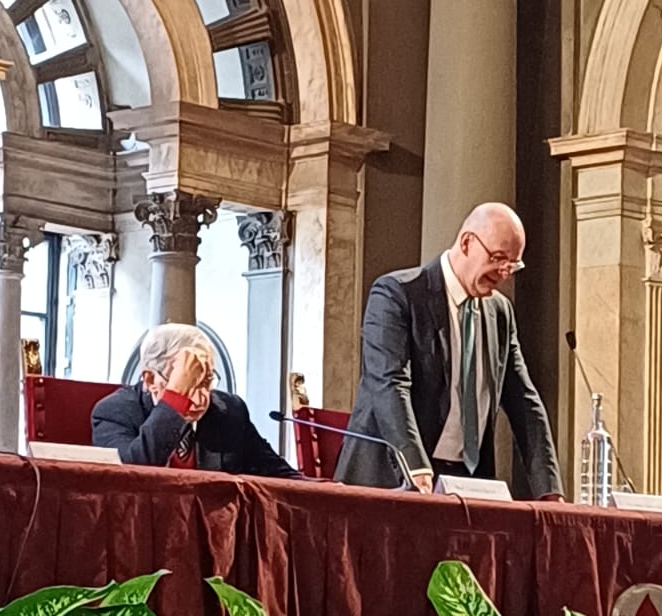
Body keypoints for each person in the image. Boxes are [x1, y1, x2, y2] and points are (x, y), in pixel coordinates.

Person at [336, 203, 562, 496]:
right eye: (498, 258)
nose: (505, 273)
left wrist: (549, 490)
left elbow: (524, 401)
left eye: (513, 265)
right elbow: (389, 383)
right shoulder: (397, 293)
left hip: (466, 482)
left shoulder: (500, 312)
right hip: (391, 478)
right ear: (467, 242)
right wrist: (415, 466)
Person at [91, 323, 301, 478]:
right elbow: (132, 474)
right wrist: (176, 398)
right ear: (151, 379)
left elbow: (279, 475)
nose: (201, 399)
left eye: (207, 382)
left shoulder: (229, 410)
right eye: (189, 384)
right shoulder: (113, 412)